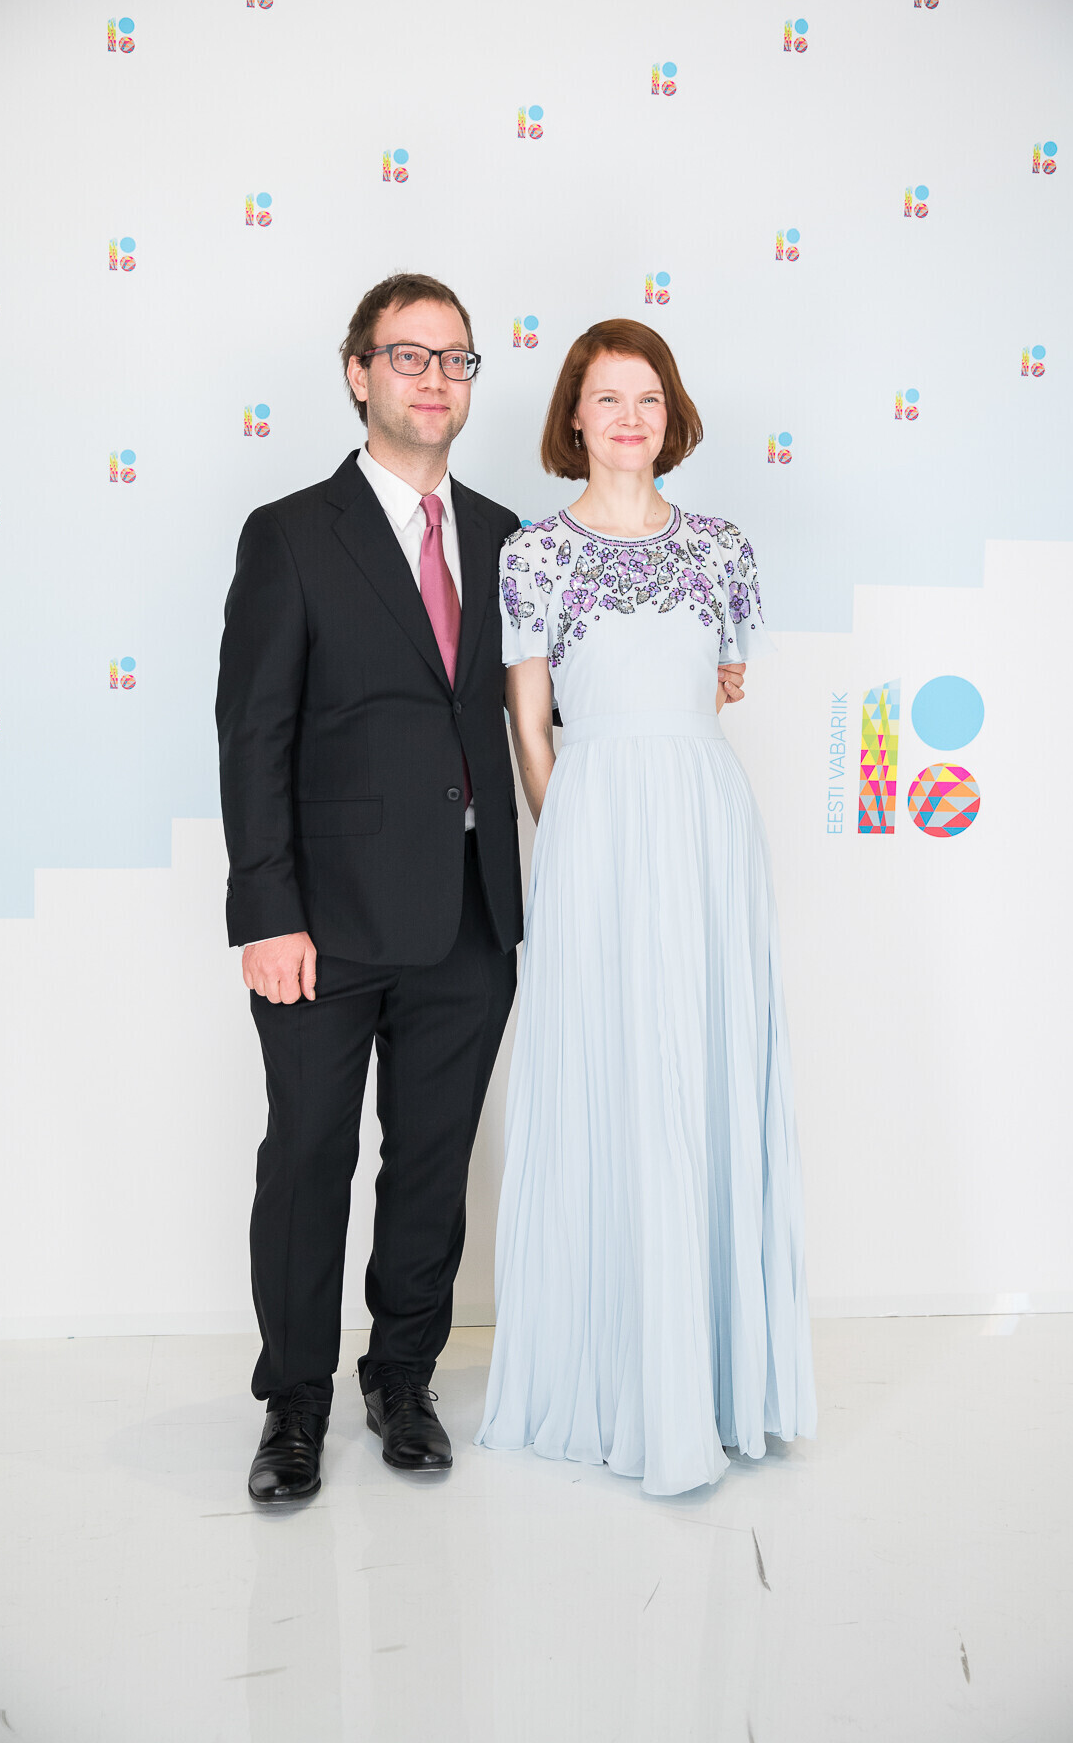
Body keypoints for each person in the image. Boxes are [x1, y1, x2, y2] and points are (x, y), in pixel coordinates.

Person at [475, 319, 817, 1496]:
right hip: (590, 828)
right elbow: (530, 725)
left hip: (706, 826)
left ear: (672, 414)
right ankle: (617, 1375)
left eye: (648, 397)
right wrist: (568, 836)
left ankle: (713, 1383)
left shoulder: (724, 548)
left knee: (704, 1064)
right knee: (611, 1071)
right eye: (607, 397)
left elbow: (717, 686)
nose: (629, 417)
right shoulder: (532, 556)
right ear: (572, 416)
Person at [216, 272, 523, 1503]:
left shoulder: (505, 537)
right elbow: (253, 735)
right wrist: (267, 913)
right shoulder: (291, 534)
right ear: (359, 373)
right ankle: (293, 1399)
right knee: (307, 1159)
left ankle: (402, 1377)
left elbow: (542, 699)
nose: (434, 379)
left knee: (433, 1162)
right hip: (324, 924)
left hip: (470, 913)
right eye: (408, 356)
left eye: (455, 359)